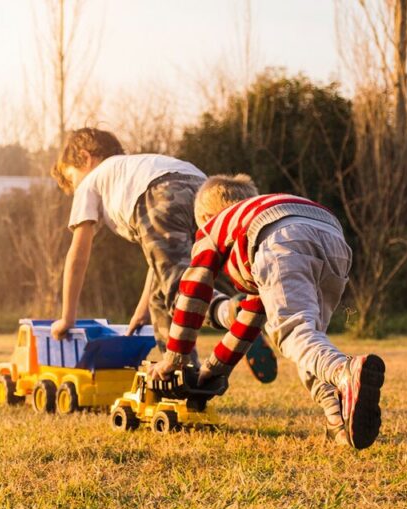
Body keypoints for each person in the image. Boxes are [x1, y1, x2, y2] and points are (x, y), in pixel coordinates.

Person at [148, 174, 385, 449]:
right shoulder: (255, 216)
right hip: (334, 238)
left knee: (293, 333)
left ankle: (344, 370)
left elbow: (192, 289)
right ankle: (338, 424)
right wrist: (212, 372)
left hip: (284, 240)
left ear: (204, 216)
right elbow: (249, 319)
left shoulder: (215, 225)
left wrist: (174, 357)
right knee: (308, 340)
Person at [48, 128, 207, 366]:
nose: (75, 189)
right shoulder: (134, 169)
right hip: (203, 187)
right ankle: (186, 373)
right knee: (166, 294)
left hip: (161, 191)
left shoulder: (91, 180)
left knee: (179, 294)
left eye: (72, 179)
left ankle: (226, 316)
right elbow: (159, 263)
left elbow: (78, 256)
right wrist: (142, 311)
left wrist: (67, 319)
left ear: (85, 157)